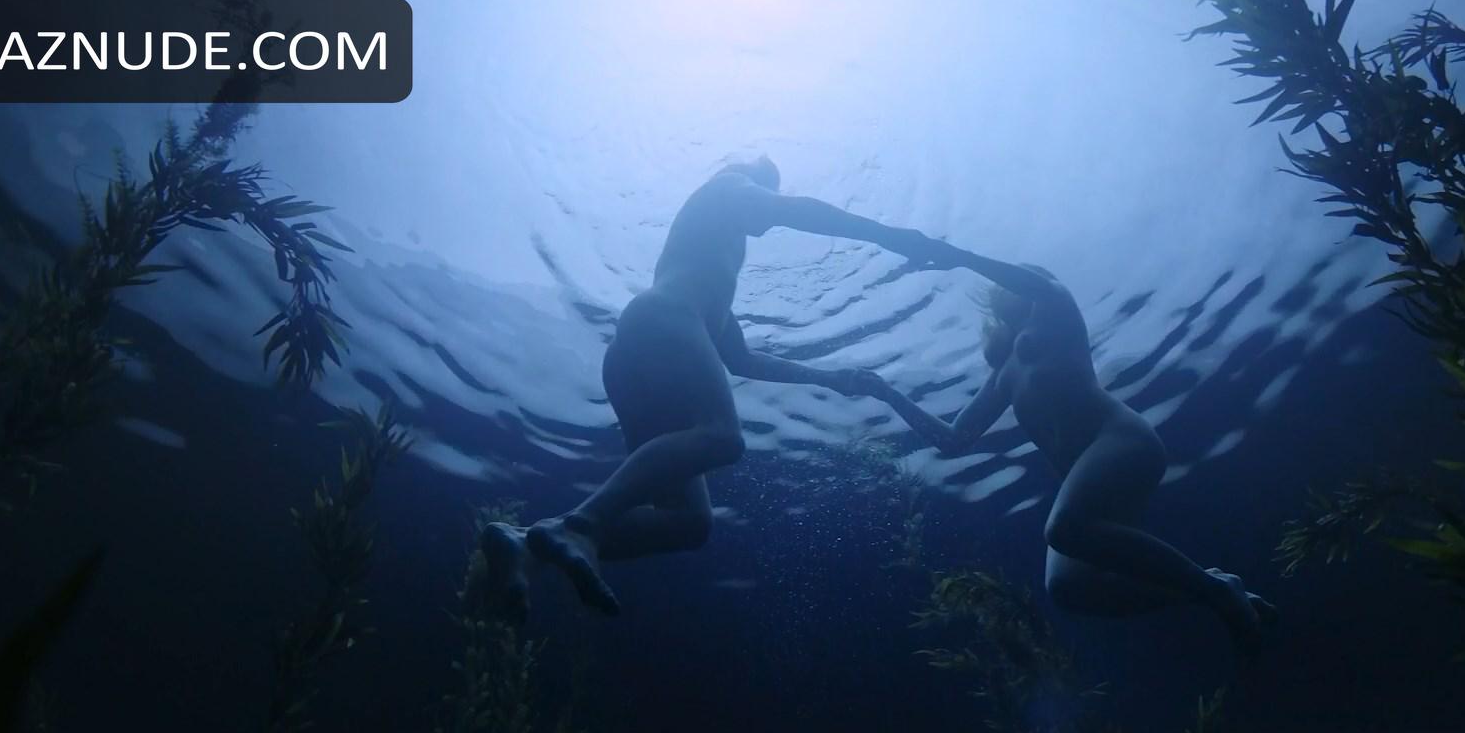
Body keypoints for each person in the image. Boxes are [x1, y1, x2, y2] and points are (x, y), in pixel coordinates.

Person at [481, 155, 936, 621]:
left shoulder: (710, 265)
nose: (767, 219)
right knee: (722, 437)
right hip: (663, 320)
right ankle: (581, 524)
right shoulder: (728, 185)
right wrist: (890, 237)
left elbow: (740, 359)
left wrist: (829, 379)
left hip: (637, 354)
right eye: (769, 191)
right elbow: (796, 210)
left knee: (689, 523)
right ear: (755, 181)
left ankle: (527, 546)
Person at [865, 241, 1277, 653]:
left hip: (1121, 441)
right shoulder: (1004, 375)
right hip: (1091, 473)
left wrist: (961, 257)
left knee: (1064, 529)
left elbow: (1039, 284)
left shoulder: (1053, 310)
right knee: (1068, 588)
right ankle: (1211, 589)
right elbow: (954, 439)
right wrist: (884, 392)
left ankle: (1217, 591)